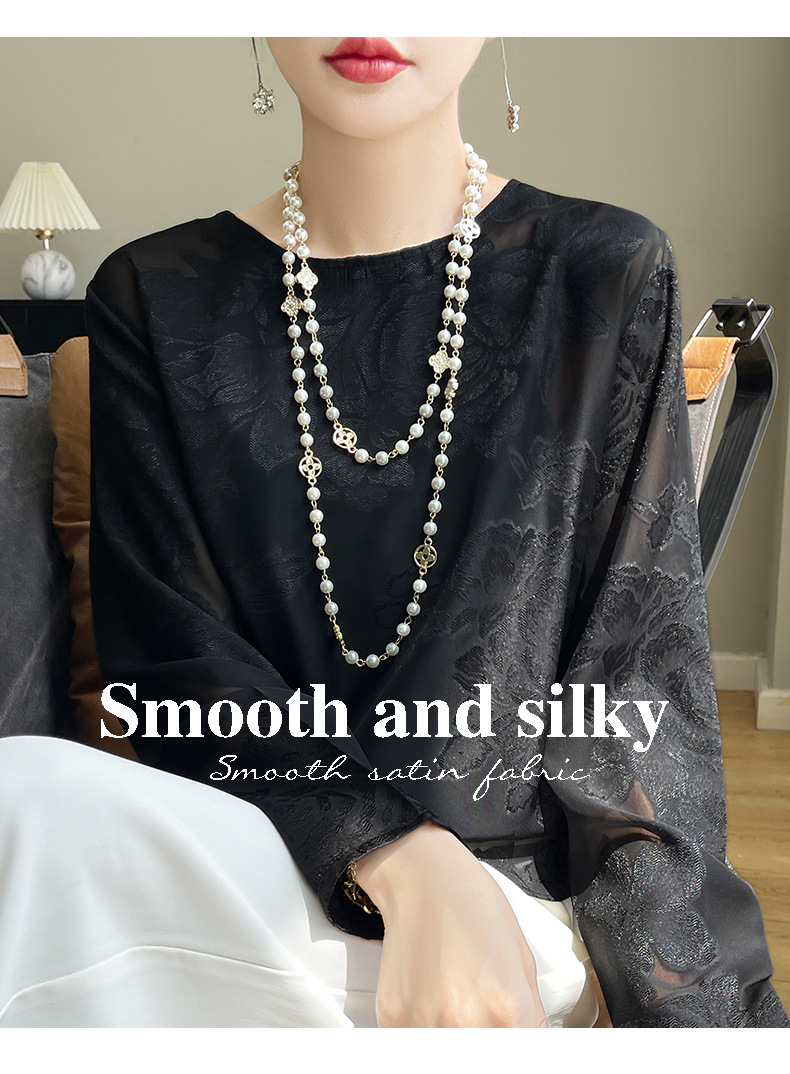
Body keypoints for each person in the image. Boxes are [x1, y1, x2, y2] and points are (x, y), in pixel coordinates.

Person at [0, 36, 786, 1030]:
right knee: (22, 798)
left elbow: (635, 698)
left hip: (509, 919)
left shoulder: (603, 272)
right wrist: (399, 858)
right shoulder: (151, 294)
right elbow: (174, 664)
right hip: (249, 869)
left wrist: (694, 1023)